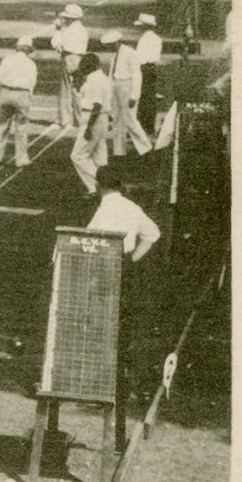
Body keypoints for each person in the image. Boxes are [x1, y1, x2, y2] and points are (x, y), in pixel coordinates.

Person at [86, 165, 162, 413]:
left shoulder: (103, 210)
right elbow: (153, 233)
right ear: (121, 185)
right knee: (123, 326)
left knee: (102, 324)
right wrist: (133, 259)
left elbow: (90, 240)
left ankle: (102, 385)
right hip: (126, 267)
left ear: (99, 185)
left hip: (105, 269)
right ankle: (122, 384)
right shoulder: (132, 207)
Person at [101, 30, 153, 157]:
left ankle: (146, 147)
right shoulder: (114, 56)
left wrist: (134, 95)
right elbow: (111, 76)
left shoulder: (130, 53)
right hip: (116, 85)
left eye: (111, 44)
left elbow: (137, 75)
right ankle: (119, 151)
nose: (109, 47)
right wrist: (109, 93)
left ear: (118, 42)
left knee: (130, 119)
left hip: (127, 86)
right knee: (117, 120)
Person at [0, 36, 39, 168]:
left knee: (1, 126)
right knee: (21, 128)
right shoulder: (31, 64)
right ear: (28, 50)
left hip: (5, 92)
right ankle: (21, 159)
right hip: (22, 95)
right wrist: (28, 97)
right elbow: (32, 83)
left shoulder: (7, 60)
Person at [70, 53, 113, 194]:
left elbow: (97, 106)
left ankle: (99, 184)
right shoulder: (103, 78)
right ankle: (102, 187)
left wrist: (89, 128)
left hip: (93, 119)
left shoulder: (93, 81)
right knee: (99, 156)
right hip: (102, 119)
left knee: (78, 156)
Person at [48, 4, 89, 134]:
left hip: (69, 57)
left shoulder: (70, 30)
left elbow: (55, 43)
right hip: (80, 58)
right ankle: (80, 119)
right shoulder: (82, 30)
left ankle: (64, 120)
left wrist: (58, 29)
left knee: (65, 88)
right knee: (77, 89)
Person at [134, 13, 163, 133]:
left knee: (143, 97)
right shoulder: (157, 39)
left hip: (143, 68)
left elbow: (140, 57)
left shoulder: (144, 39)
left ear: (145, 26)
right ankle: (149, 125)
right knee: (150, 96)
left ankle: (143, 125)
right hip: (152, 68)